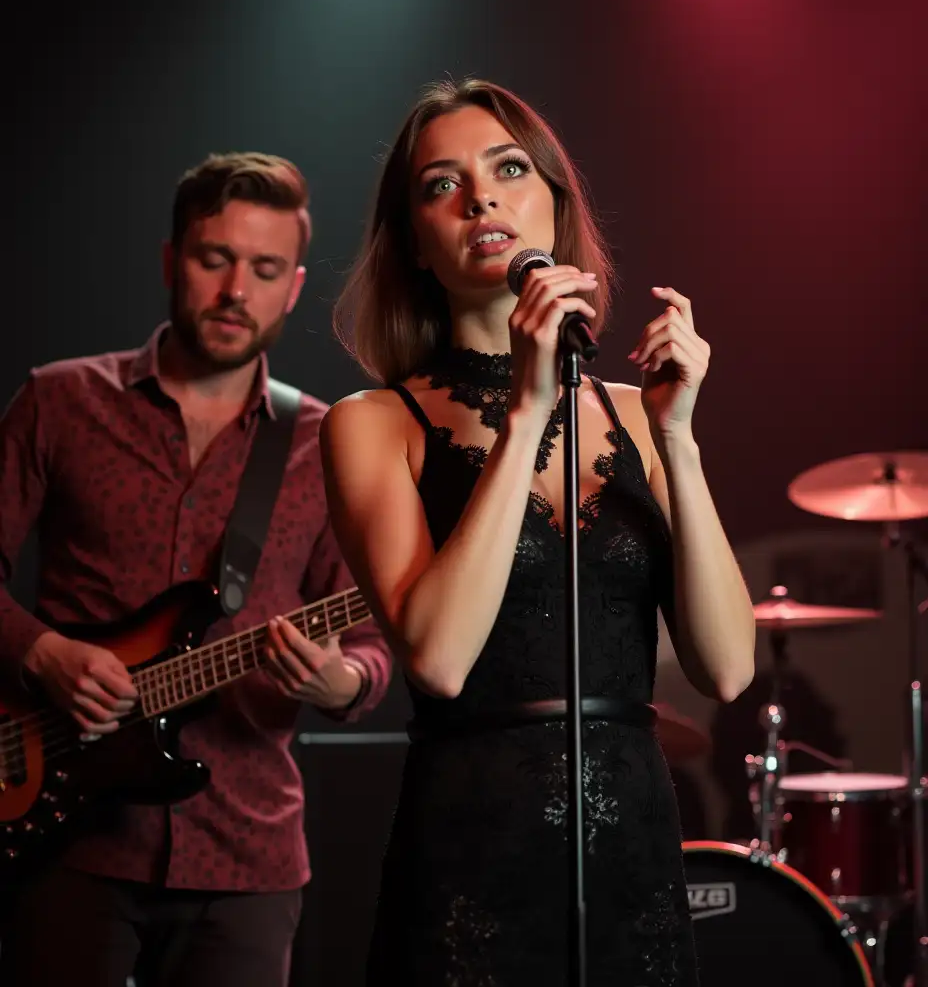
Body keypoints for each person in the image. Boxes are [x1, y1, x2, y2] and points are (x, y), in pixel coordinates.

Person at [321, 79, 756, 985]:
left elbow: (725, 670)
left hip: (634, 848)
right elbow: (438, 659)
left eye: (510, 169)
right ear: (414, 244)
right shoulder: (372, 423)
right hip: (470, 857)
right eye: (442, 184)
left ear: (555, 208)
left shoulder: (640, 414)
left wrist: (677, 441)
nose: (481, 197)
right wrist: (525, 411)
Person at [0, 153, 392, 987]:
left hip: (247, 852)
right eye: (215, 259)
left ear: (291, 288)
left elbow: (368, 636)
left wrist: (342, 681)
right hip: (66, 831)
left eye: (265, 269)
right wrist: (43, 653)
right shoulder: (58, 402)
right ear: (171, 260)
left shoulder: (331, 442)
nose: (235, 292)